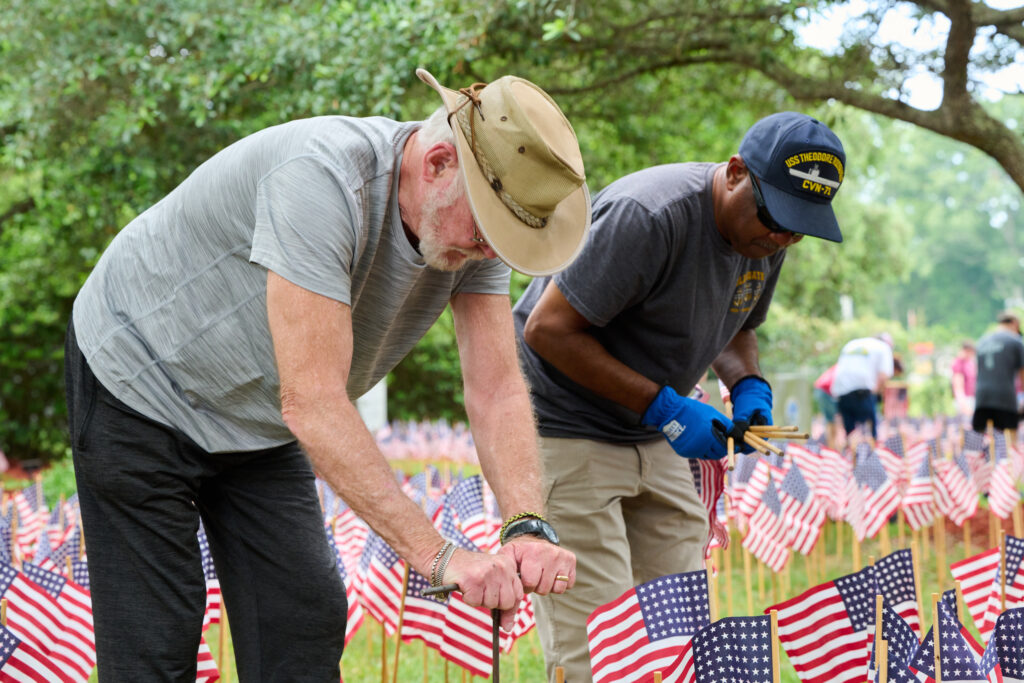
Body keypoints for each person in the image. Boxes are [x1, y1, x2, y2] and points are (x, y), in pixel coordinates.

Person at [65, 68, 588, 680]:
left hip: (255, 409)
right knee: (156, 641)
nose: (490, 253)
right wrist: (439, 556)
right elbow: (312, 401)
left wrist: (526, 523)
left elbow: (497, 389)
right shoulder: (321, 180)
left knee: (303, 614)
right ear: (440, 163)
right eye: (486, 231)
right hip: (139, 378)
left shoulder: (472, 237)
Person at [513, 111, 847, 682]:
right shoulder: (649, 215)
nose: (781, 238)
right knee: (598, 641)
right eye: (775, 219)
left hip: (651, 431)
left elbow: (736, 322)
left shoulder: (769, 232)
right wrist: (664, 407)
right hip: (564, 424)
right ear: (738, 173)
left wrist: (748, 386)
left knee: (678, 631)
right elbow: (546, 331)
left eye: (799, 227)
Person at [830, 333, 895, 439]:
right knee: (869, 435)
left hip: (841, 393)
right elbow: (884, 376)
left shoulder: (851, 344)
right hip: (862, 393)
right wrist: (877, 394)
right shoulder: (884, 347)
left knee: (850, 434)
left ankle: (852, 454)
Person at [972, 311, 1024, 435]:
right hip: (1005, 399)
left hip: (981, 399)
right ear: (1015, 324)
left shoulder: (981, 341)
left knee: (983, 443)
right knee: (1009, 444)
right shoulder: (1015, 341)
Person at [951, 340, 977, 419]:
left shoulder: (970, 362)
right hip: (965, 401)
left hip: (972, 398)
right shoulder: (958, 363)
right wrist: (964, 406)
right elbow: (958, 386)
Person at [813, 363, 839, 445]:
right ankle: (833, 446)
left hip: (821, 389)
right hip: (826, 390)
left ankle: (831, 446)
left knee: (830, 419)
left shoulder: (840, 365)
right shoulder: (846, 367)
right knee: (835, 419)